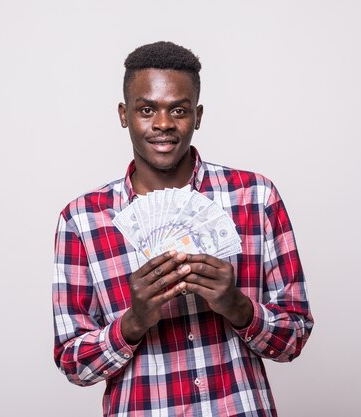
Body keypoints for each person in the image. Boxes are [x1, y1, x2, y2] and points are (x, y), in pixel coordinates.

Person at [52, 41, 314, 417]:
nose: (162, 124)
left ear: (198, 115)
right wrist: (133, 322)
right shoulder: (82, 220)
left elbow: (293, 338)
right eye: (147, 110)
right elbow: (72, 362)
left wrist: (237, 307)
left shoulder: (256, 197)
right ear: (124, 115)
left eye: (178, 109)